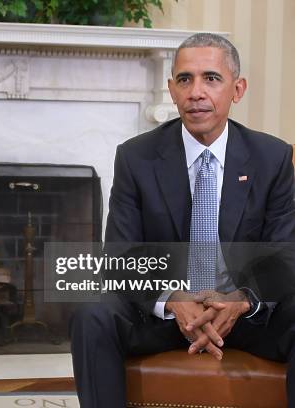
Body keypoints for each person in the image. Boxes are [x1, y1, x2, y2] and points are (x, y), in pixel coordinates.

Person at [70, 32, 295, 407]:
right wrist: (172, 299)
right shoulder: (136, 158)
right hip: (164, 318)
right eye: (185, 80)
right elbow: (122, 254)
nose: (196, 92)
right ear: (171, 90)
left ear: (237, 89)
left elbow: (284, 254)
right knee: (91, 312)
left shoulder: (271, 158)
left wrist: (241, 301)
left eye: (211, 78)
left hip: (244, 317)